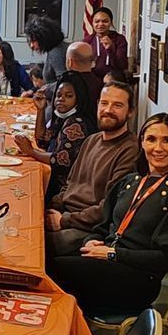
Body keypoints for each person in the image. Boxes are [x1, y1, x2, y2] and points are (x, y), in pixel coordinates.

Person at [47, 113, 168, 319]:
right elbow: (103, 226)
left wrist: (113, 254)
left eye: (167, 140)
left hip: (138, 279)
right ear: (142, 143)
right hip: (107, 261)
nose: (158, 148)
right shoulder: (130, 181)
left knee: (49, 272)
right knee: (42, 260)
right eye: (151, 139)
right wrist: (91, 241)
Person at [30, 76, 141, 257]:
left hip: (87, 229)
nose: (108, 110)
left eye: (117, 105)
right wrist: (48, 208)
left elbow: (109, 207)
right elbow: (69, 184)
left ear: (130, 112)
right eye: (104, 103)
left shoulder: (131, 150)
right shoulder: (92, 140)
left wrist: (64, 220)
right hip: (65, 214)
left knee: (32, 243)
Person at [17, 74, 92, 195]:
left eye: (69, 96)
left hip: (65, 189)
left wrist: (31, 151)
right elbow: (42, 141)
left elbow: (61, 161)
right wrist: (40, 110)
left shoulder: (76, 123)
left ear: (79, 99)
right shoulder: (63, 118)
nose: (61, 99)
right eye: (58, 95)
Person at [85, 7, 129, 81]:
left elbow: (121, 66)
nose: (100, 24)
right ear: (92, 23)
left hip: (114, 80)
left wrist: (110, 49)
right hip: (93, 80)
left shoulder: (119, 39)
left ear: (111, 22)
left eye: (105, 21)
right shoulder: (87, 41)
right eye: (97, 21)